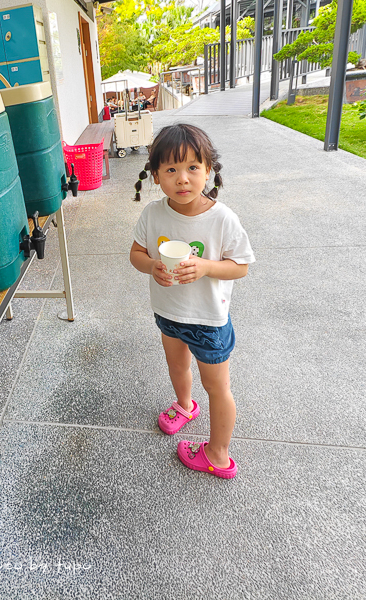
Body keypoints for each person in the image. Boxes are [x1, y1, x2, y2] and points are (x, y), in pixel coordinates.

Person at [129, 124, 254, 479]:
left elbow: (241, 266)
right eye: (171, 170)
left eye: (192, 168)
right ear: (155, 175)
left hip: (209, 320)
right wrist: (151, 265)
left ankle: (217, 454)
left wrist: (206, 267)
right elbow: (136, 253)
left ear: (209, 170)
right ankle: (185, 405)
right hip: (169, 312)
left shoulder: (222, 218)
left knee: (218, 387)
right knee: (177, 366)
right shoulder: (153, 215)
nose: (182, 179)